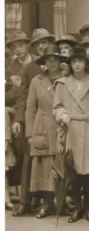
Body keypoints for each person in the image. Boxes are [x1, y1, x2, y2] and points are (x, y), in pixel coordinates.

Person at [53, 46, 89, 223]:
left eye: (80, 61)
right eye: (73, 61)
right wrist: (63, 114)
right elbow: (57, 107)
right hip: (72, 129)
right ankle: (76, 208)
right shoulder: (62, 83)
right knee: (73, 171)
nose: (77, 64)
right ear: (70, 64)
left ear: (86, 63)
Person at [13, 28, 56, 216]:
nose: (42, 46)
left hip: (53, 122)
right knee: (29, 161)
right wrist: (18, 120)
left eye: (45, 42)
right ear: (34, 47)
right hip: (35, 121)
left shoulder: (59, 67)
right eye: (38, 43)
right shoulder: (29, 69)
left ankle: (51, 200)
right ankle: (25, 201)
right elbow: (23, 98)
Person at [24, 44, 65, 219]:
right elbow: (30, 108)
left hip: (61, 125)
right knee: (43, 167)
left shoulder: (66, 78)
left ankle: (61, 204)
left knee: (61, 165)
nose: (52, 62)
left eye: (56, 59)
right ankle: (47, 204)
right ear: (45, 62)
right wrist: (29, 133)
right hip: (42, 126)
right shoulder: (36, 81)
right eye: (49, 59)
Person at [5, 31, 32, 211]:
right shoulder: (9, 68)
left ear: (27, 45)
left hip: (39, 113)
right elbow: (6, 96)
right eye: (14, 47)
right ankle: (25, 199)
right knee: (22, 155)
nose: (18, 49)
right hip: (19, 116)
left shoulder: (37, 62)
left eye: (21, 45)